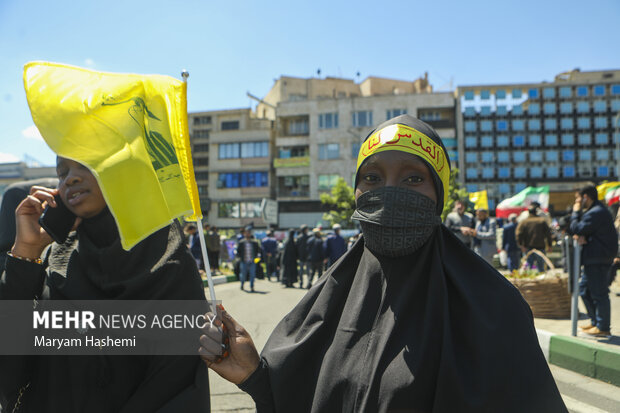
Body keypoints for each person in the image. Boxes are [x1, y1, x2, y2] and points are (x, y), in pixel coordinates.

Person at [199, 115, 566, 413]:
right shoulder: (328, 298)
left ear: (438, 194)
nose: (389, 193)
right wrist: (254, 376)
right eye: (372, 178)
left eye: (412, 178)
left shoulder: (494, 309)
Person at [0, 157, 210, 412]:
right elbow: (9, 367)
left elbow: (176, 386)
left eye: (88, 164)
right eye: (62, 172)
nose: (71, 179)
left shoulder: (169, 263)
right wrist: (25, 252)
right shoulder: (52, 259)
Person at [570, 185, 618, 338]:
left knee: (599, 293)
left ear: (585, 197)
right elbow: (582, 231)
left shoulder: (595, 212)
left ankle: (603, 327)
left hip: (598, 258)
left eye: (578, 198)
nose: (576, 201)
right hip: (593, 257)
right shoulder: (595, 211)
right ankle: (595, 321)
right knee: (584, 290)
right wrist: (585, 235)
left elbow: (575, 228)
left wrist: (576, 212)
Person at [516, 202, 553, 271]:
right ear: (536, 212)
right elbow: (548, 234)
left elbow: (518, 234)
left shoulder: (524, 222)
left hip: (528, 247)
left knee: (529, 268)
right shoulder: (542, 221)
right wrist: (550, 245)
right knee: (541, 268)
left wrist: (521, 245)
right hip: (540, 247)